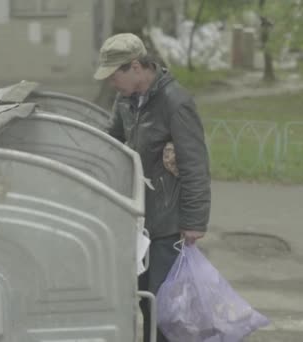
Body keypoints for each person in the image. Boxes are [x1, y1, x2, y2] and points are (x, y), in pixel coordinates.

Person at [94, 33, 211, 342]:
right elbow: (111, 140)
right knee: (147, 299)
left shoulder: (176, 102)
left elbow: (195, 164)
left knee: (164, 303)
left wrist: (194, 222)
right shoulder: (127, 100)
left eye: (113, 75)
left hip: (168, 221)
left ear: (135, 67)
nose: (110, 83)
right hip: (139, 217)